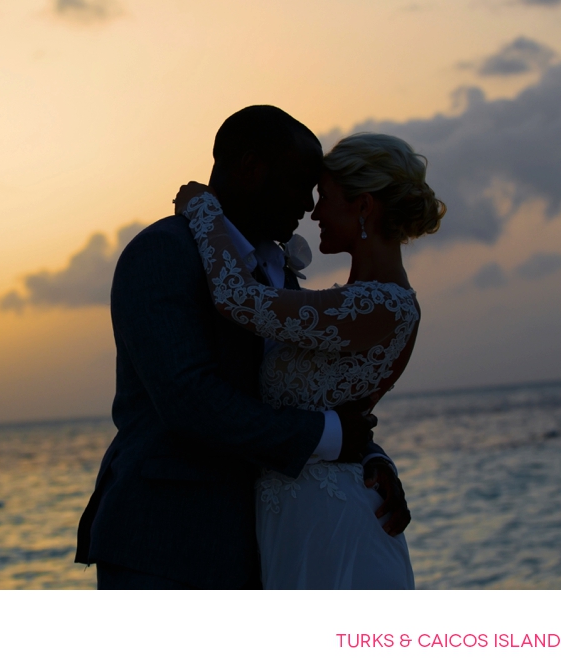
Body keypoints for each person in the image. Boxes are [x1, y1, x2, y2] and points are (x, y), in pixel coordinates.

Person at [75, 105, 407, 589]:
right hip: (168, 542)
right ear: (253, 169)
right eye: (301, 184)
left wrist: (368, 460)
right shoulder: (163, 251)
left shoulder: (280, 271)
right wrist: (331, 439)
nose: (309, 205)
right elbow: (189, 399)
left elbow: (299, 393)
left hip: (265, 541)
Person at [176, 130, 445, 589]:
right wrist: (375, 457)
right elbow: (341, 415)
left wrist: (202, 208)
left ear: (363, 206)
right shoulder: (342, 303)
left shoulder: (384, 305)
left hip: (335, 524)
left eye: (326, 197)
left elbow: (238, 298)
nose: (314, 211)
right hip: (297, 519)